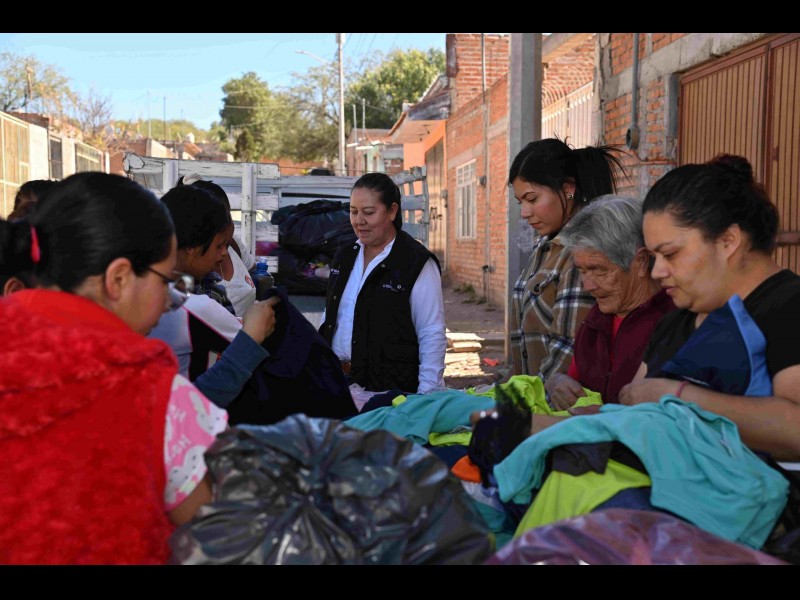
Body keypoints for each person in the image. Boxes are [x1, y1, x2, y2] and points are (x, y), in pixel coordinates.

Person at [0, 172, 227, 564]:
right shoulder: (158, 396)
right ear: (119, 278)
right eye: (166, 281)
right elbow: (220, 546)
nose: (169, 301)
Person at [619, 155, 800, 461]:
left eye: (670, 254)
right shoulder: (673, 323)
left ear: (728, 241)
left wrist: (677, 397)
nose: (657, 272)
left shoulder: (790, 307)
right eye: (653, 257)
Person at [148, 184, 278, 410]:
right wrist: (255, 330)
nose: (223, 254)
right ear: (192, 247)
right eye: (219, 246)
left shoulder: (147, 290)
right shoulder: (193, 307)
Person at [509, 138, 626, 381]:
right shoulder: (548, 245)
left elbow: (570, 350)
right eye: (520, 202)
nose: (525, 213)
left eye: (532, 199)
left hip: (556, 397)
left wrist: (528, 397)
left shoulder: (583, 251)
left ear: (568, 189)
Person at [321, 172, 447, 394]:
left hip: (390, 393)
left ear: (392, 211)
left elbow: (431, 331)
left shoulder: (415, 262)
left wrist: (427, 394)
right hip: (339, 384)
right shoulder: (344, 255)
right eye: (353, 212)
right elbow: (330, 316)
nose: (359, 221)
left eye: (369, 212)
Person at [545, 195, 675, 409]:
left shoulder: (675, 323)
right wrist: (556, 382)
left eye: (598, 270)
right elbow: (575, 385)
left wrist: (608, 419)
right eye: (582, 271)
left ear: (641, 261)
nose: (588, 285)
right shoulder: (595, 321)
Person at [177, 175, 259, 317]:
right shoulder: (189, 283)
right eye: (217, 221)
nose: (223, 252)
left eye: (228, 216)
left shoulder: (234, 244)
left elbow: (257, 274)